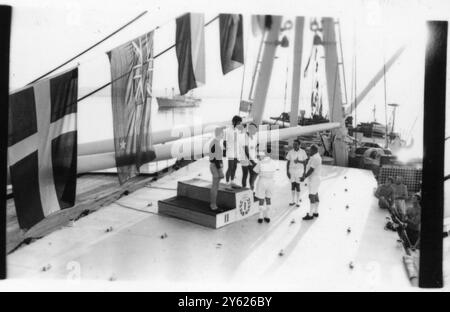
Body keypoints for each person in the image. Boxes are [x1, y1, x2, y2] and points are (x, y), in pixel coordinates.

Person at [253, 147, 276, 224]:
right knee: (268, 199)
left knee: (261, 199)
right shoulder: (273, 162)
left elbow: (255, 171)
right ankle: (267, 216)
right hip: (271, 181)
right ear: (271, 153)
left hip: (262, 181)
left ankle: (260, 217)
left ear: (265, 153)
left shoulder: (261, 162)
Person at [302, 144, 322, 220]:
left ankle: (310, 215)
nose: (309, 151)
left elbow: (311, 170)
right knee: (315, 194)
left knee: (311, 196)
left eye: (310, 150)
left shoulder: (316, 158)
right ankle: (315, 212)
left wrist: (304, 177)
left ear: (314, 150)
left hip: (314, 179)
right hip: (315, 179)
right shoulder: (315, 157)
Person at [286, 139, 307, 207]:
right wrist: (287, 171)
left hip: (299, 171)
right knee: (293, 185)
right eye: (293, 144)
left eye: (296, 144)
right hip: (292, 170)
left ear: (299, 145)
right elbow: (288, 162)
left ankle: (297, 202)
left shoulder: (303, 152)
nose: (294, 145)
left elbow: (305, 163)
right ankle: (292, 201)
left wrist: (304, 174)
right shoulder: (290, 152)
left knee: (297, 185)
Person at [224, 115, 243, 188]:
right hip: (230, 152)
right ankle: (227, 182)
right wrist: (228, 149)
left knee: (235, 167)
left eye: (240, 123)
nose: (240, 124)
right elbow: (224, 142)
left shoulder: (238, 131)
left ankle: (232, 181)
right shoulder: (227, 130)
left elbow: (238, 142)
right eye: (239, 123)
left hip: (236, 152)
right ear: (235, 122)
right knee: (230, 167)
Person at [209, 127, 225, 211]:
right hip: (215, 166)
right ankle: (213, 206)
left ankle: (214, 204)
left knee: (216, 186)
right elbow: (215, 159)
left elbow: (218, 157)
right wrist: (220, 171)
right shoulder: (215, 143)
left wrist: (221, 164)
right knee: (215, 187)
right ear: (220, 134)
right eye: (223, 133)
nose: (223, 135)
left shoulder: (216, 142)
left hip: (216, 166)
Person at [240, 123, 258, 191]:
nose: (256, 131)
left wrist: (256, 157)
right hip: (245, 159)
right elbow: (246, 151)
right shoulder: (245, 137)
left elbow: (254, 149)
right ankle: (243, 189)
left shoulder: (254, 137)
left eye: (256, 130)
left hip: (252, 158)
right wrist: (252, 161)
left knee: (253, 173)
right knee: (245, 174)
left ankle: (251, 189)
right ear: (250, 129)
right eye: (254, 130)